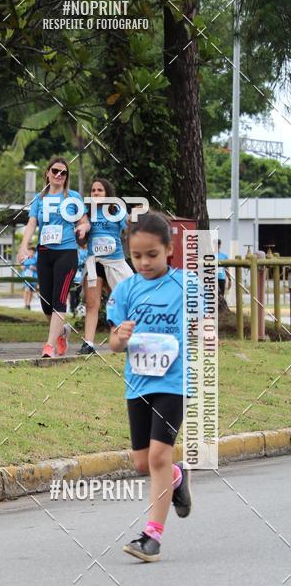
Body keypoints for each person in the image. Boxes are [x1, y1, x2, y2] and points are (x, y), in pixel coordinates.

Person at [107, 210, 193, 562]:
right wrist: (120, 337)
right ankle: (176, 477)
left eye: (152, 255)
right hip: (138, 384)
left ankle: (151, 536)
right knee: (143, 463)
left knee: (158, 454)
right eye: (136, 256)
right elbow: (112, 343)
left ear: (169, 249)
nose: (143, 262)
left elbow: (204, 329)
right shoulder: (126, 289)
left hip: (173, 382)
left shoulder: (185, 285)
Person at [17, 157, 89, 358]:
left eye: (63, 173)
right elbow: (32, 224)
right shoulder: (39, 199)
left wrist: (83, 227)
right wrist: (23, 247)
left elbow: (85, 221)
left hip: (66, 253)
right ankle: (62, 331)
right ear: (47, 173)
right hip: (44, 253)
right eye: (55, 171)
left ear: (66, 177)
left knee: (59, 299)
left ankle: (49, 345)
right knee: (45, 303)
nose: (59, 175)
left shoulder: (73, 197)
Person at [78, 178, 133, 355]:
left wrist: (133, 222)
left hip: (115, 263)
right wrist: (81, 232)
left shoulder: (116, 210)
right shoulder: (87, 212)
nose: (95, 193)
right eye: (93, 191)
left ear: (107, 193)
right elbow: (82, 239)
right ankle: (88, 344)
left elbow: (129, 229)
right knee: (92, 303)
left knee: (122, 301)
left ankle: (126, 341)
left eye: (99, 190)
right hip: (95, 263)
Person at [69, 246, 87, 314]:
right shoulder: (74, 254)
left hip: (80, 280)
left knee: (79, 295)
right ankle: (72, 309)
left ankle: (77, 309)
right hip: (73, 279)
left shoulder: (85, 253)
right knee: (73, 295)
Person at [21, 245, 38, 309]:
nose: (30, 252)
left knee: (31, 291)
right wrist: (23, 267)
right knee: (26, 290)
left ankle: (28, 304)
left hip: (33, 277)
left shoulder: (36, 259)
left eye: (32, 251)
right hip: (26, 276)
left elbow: (39, 269)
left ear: (34, 253)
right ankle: (25, 304)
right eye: (29, 251)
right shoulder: (25, 259)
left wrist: (34, 268)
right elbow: (21, 266)